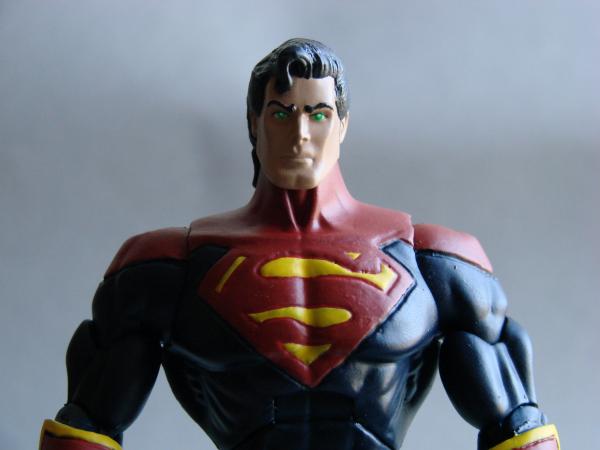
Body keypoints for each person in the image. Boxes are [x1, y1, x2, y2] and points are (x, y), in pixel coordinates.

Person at [40, 38, 560, 450]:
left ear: (343, 124)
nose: (301, 135)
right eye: (281, 113)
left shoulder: (431, 261)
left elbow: (516, 427)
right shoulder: (171, 268)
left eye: (319, 114)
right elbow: (88, 426)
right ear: (253, 123)